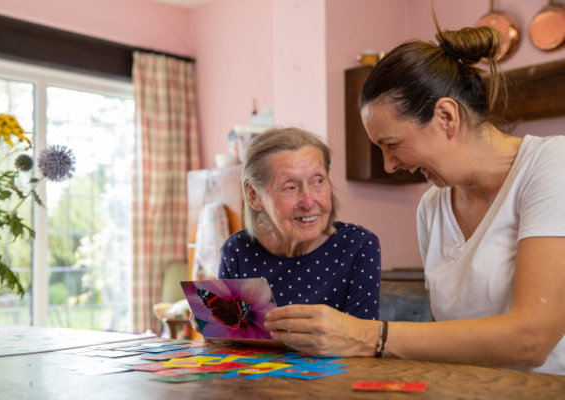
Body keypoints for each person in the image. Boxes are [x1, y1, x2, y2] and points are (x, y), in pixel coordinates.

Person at [263, 21, 565, 375]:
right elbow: (450, 342)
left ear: (446, 117)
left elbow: (532, 339)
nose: (390, 166)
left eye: (392, 145)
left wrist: (367, 336)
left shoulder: (551, 166)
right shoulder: (433, 207)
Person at [218, 127, 382, 320]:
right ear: (254, 196)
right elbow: (227, 342)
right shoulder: (237, 251)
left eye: (318, 181)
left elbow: (363, 341)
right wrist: (214, 328)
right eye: (290, 187)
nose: (309, 202)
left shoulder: (357, 247)